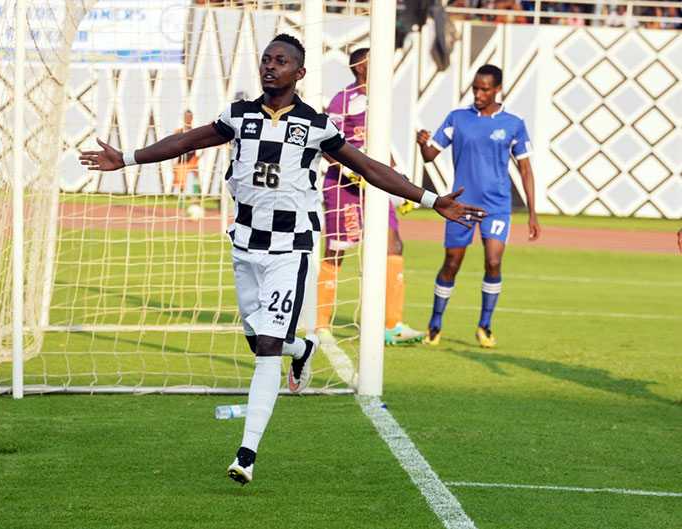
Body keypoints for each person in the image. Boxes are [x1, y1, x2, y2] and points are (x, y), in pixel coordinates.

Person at [80, 34, 484, 485]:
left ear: (300, 73)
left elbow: (370, 167)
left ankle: (246, 453)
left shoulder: (316, 125)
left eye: (281, 61)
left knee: (266, 350)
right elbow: (185, 140)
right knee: (260, 341)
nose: (271, 66)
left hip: (290, 249)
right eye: (266, 59)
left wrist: (432, 199)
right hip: (245, 244)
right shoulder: (238, 115)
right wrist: (129, 158)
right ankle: (304, 348)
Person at [416, 64, 539, 348]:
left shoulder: (513, 122)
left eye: (484, 89)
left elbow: (525, 169)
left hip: (497, 205)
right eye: (475, 88)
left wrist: (532, 213)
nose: (478, 93)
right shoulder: (457, 118)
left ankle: (485, 325)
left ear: (497, 89)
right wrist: (423, 143)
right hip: (459, 206)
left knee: (493, 261)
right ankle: (435, 323)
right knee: (452, 263)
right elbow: (430, 155)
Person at [317, 47, 425, 347]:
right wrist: (348, 171)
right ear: (361, 67)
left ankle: (394, 324)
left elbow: (380, 144)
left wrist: (398, 181)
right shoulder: (343, 99)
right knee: (337, 249)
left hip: (375, 185)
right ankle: (321, 325)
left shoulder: (380, 100)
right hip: (344, 185)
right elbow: (326, 143)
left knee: (394, 244)